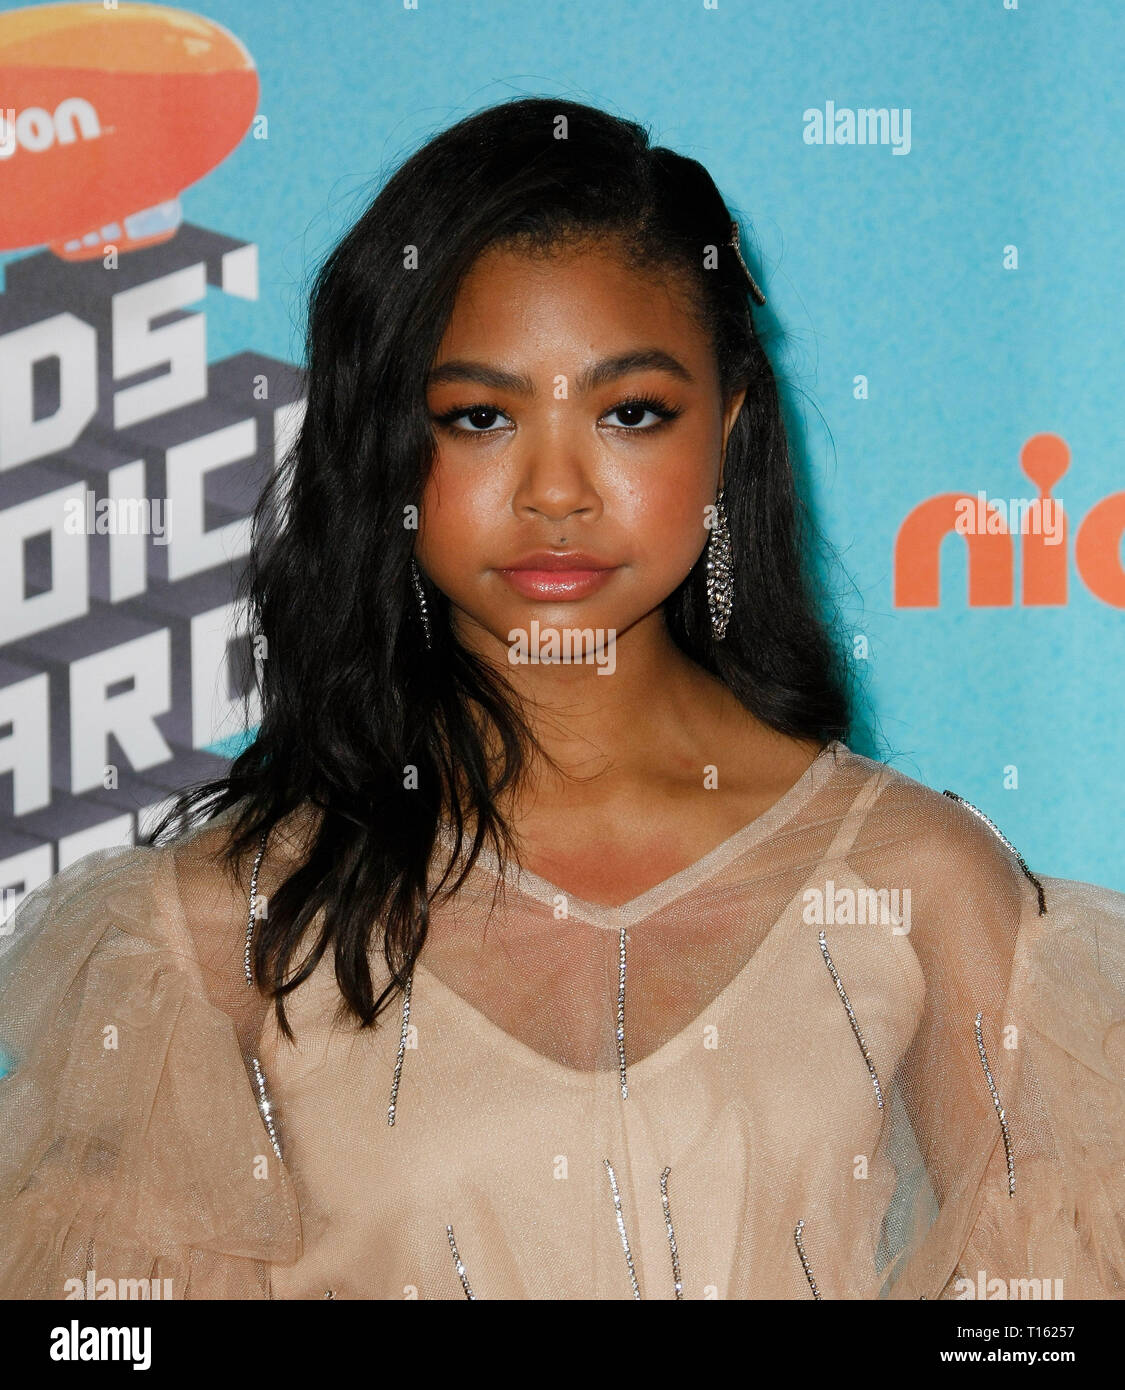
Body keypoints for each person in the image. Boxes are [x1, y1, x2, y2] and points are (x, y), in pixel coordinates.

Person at [0, 97, 1121, 1302]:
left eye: (629, 412)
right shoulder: (219, 932)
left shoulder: (921, 884)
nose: (555, 491)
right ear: (386, 442)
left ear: (728, 426)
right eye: (480, 416)